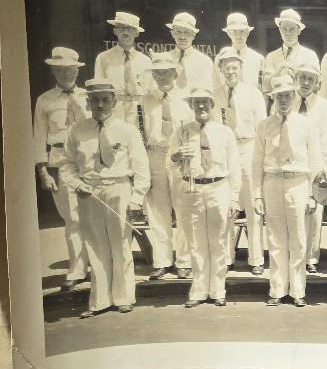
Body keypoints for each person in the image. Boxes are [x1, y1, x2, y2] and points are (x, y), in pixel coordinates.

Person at [60, 78, 150, 318]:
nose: (100, 105)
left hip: (119, 188)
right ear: (88, 102)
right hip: (89, 191)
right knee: (95, 244)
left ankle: (124, 298)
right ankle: (99, 301)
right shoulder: (77, 130)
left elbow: (141, 168)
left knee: (120, 243)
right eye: (95, 100)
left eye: (105, 100)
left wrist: (137, 198)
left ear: (114, 101)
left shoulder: (128, 130)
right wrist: (77, 184)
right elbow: (66, 165)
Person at [252, 74, 323, 307]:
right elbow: (256, 162)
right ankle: (277, 290)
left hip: (298, 183)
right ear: (272, 98)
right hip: (272, 182)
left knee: (299, 238)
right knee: (275, 238)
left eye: (286, 96)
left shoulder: (306, 125)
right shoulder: (264, 126)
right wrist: (257, 195)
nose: (283, 100)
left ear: (293, 97)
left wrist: (314, 194)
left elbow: (315, 161)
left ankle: (298, 291)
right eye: (278, 96)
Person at [170, 88, 241, 308]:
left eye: (205, 102)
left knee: (219, 241)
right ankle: (199, 290)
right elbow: (170, 164)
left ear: (211, 105)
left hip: (218, 188)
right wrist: (177, 156)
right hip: (192, 190)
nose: (201, 106)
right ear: (191, 105)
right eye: (196, 102)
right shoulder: (181, 131)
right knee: (196, 242)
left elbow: (235, 167)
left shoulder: (225, 132)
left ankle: (218, 289)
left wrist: (235, 197)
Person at [34, 47, 91, 291]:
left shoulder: (89, 96)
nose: (67, 74)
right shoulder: (45, 100)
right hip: (60, 160)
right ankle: (78, 269)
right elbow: (38, 137)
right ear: (53, 71)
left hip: (88, 160)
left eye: (71, 69)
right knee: (73, 218)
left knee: (93, 215)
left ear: (77, 70)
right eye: (61, 69)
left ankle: (98, 265)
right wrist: (43, 170)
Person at [140, 52, 195, 280]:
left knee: (182, 209)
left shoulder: (185, 99)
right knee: (157, 210)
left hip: (179, 156)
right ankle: (162, 260)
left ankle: (184, 261)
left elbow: (192, 131)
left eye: (166, 72)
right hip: (154, 154)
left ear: (175, 73)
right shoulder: (145, 100)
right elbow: (140, 130)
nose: (162, 77)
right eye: (157, 73)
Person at [215, 48, 268, 276]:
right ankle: (227, 257)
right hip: (225, 152)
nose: (230, 71)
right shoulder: (215, 95)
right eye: (226, 67)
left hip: (249, 148)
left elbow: (262, 128)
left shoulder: (253, 94)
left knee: (253, 207)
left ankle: (256, 258)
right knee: (228, 205)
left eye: (234, 67)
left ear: (241, 68)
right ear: (220, 70)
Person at [290, 62, 327, 274]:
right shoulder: (287, 100)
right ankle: (295, 254)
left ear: (317, 82)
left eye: (311, 79)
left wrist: (325, 168)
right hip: (294, 162)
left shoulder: (324, 106)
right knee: (296, 209)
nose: (306, 82)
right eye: (302, 77)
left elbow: (326, 138)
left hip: (316, 162)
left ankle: (312, 257)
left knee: (315, 211)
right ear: (296, 79)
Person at [94, 11, 152, 125]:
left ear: (137, 33)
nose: (125, 32)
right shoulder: (103, 58)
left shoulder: (145, 61)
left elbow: (149, 93)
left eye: (130, 29)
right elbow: (99, 91)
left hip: (139, 112)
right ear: (115, 31)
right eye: (121, 28)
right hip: (113, 112)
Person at [264, 9, 319, 94]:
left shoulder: (310, 55)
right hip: (279, 104)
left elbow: (317, 86)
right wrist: (280, 69)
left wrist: (299, 75)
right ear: (279, 30)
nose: (288, 33)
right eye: (284, 29)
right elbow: (266, 87)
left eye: (292, 29)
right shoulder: (271, 57)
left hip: (303, 104)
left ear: (299, 30)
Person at [214, 13, 267, 92]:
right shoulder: (220, 58)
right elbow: (218, 88)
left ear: (248, 32)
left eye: (242, 31)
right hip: (228, 102)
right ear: (228, 33)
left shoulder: (259, 59)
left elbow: (264, 90)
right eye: (235, 32)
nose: (239, 36)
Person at [166, 12, 215, 93]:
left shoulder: (204, 61)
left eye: (187, 32)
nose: (182, 37)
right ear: (172, 33)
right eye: (178, 32)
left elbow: (210, 91)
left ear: (194, 35)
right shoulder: (165, 59)